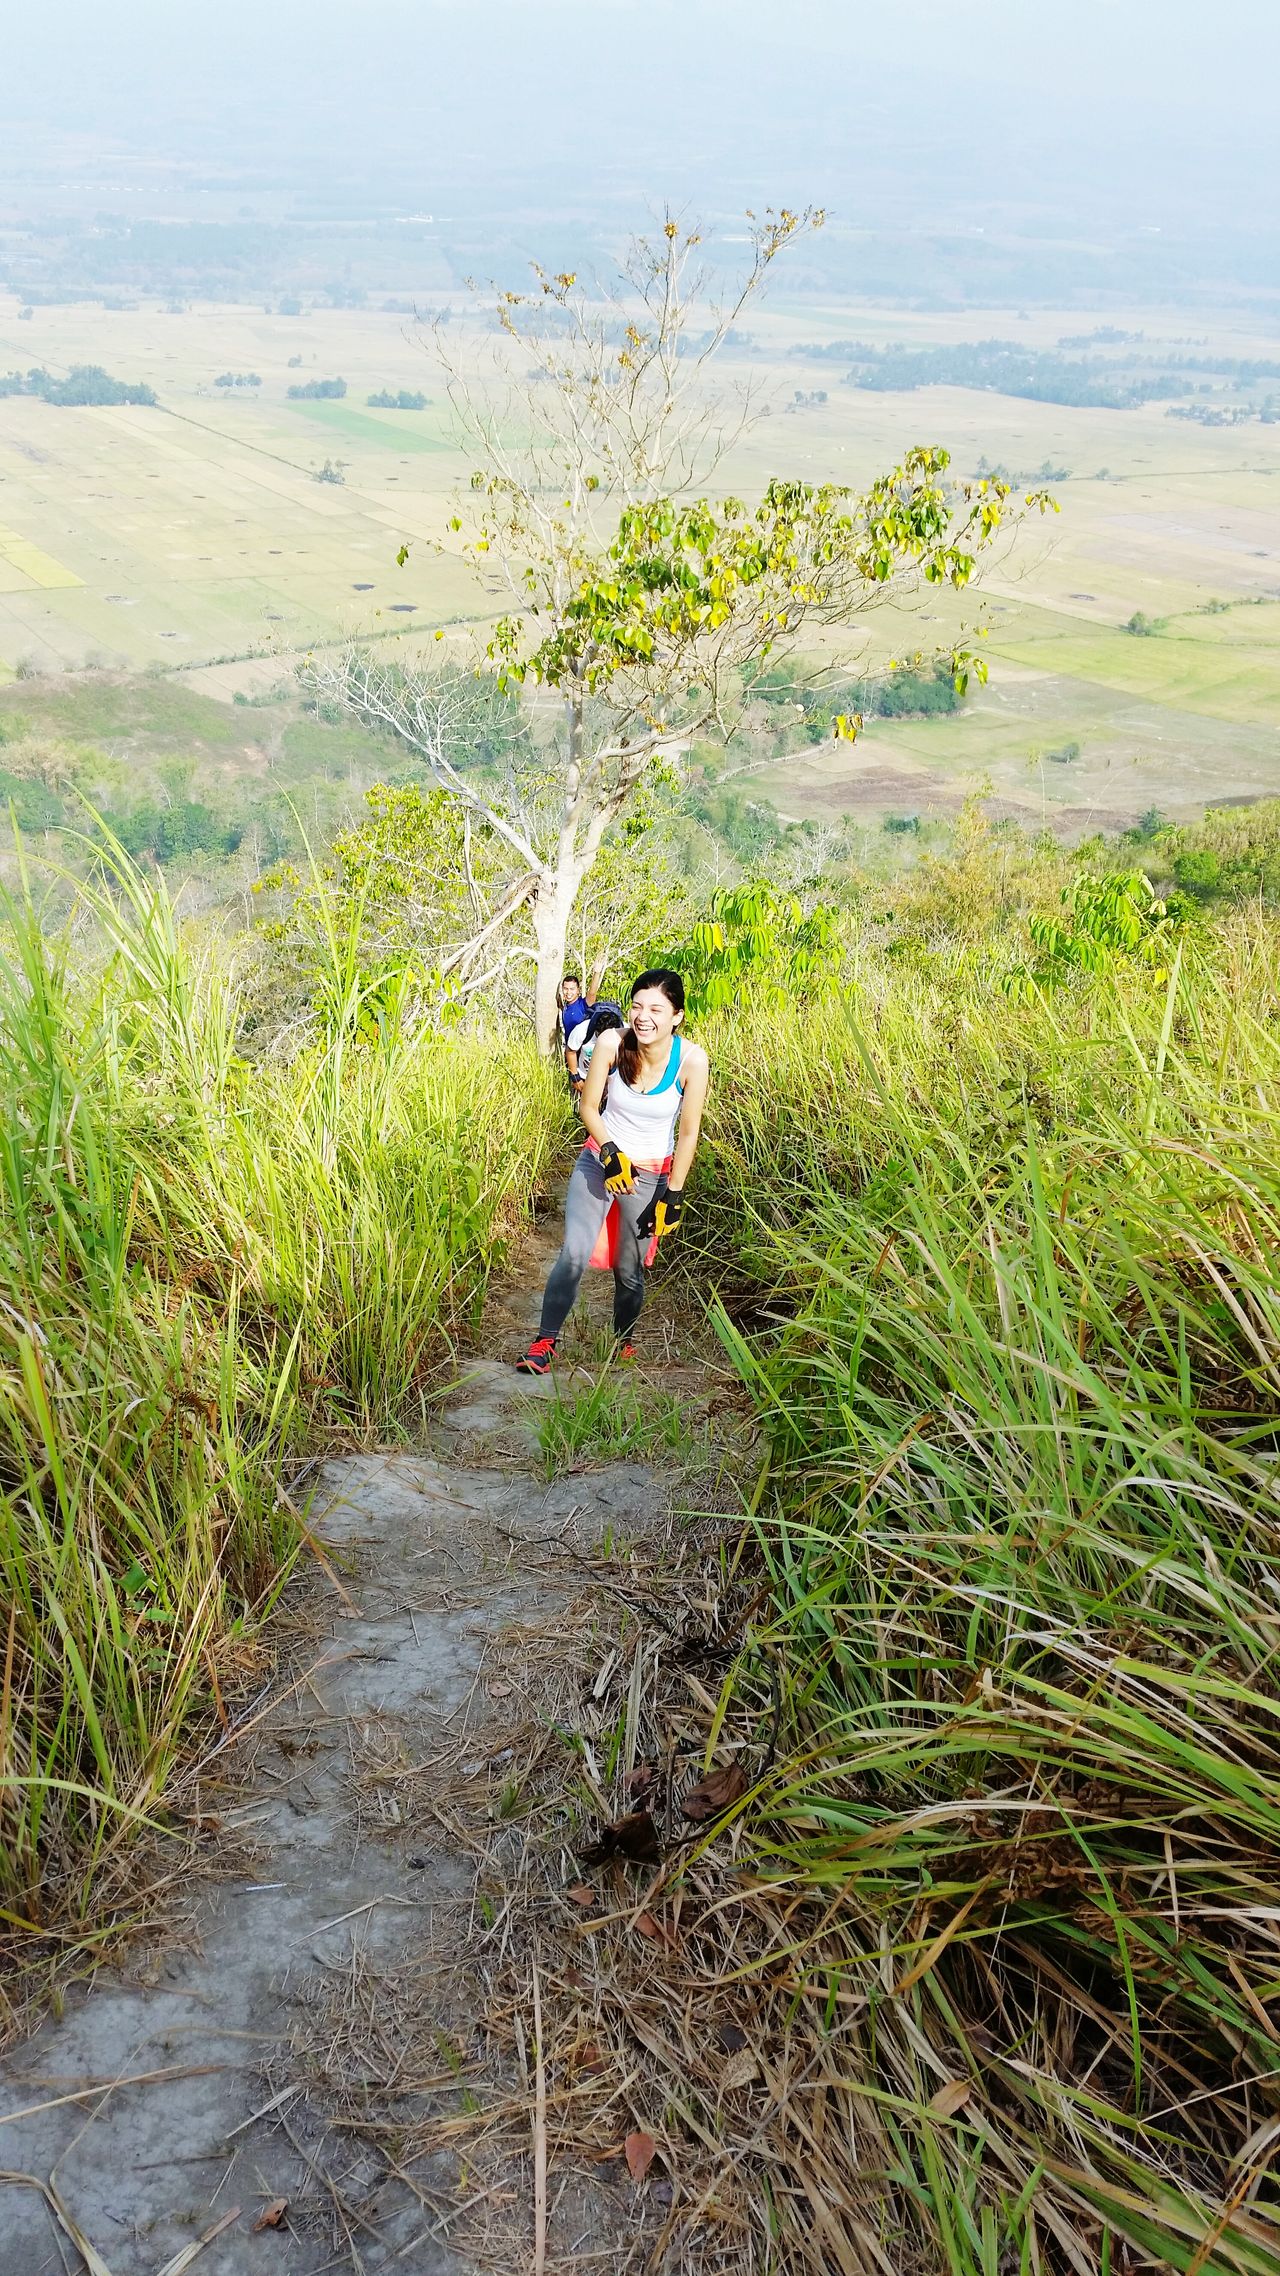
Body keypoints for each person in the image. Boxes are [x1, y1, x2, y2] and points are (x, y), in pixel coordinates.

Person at [517, 969, 709, 1373]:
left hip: (652, 1174)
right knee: (573, 1252)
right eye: (637, 1006)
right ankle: (543, 1344)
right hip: (600, 1160)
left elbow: (689, 1133)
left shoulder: (691, 1060)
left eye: (657, 1009)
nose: (644, 1016)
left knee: (630, 1268)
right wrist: (609, 1151)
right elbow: (588, 1107)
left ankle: (623, 1342)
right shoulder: (611, 1042)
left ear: (677, 1016)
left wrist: (673, 1195)